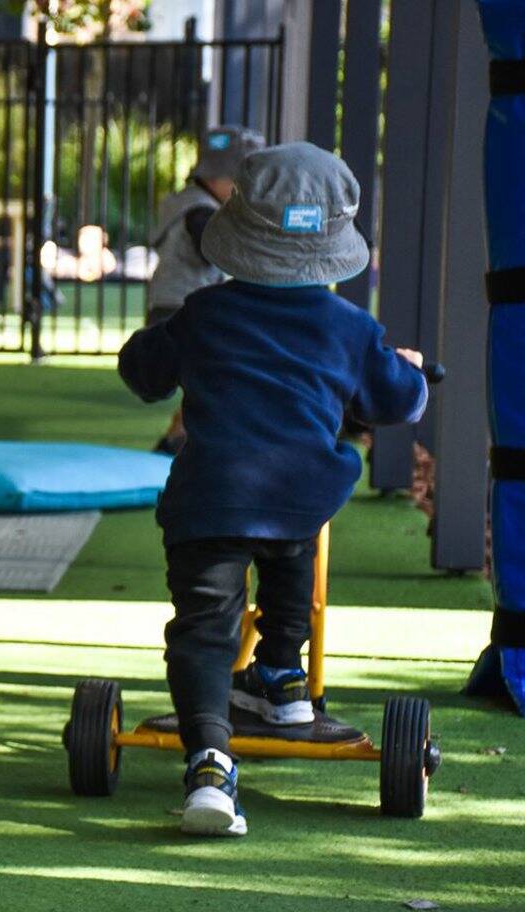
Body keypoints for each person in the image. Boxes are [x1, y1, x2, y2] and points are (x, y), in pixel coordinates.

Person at [118, 143, 429, 837]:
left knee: (202, 630)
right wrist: (403, 367)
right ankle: (285, 678)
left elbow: (143, 373)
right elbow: (397, 400)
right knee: (294, 562)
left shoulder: (203, 313)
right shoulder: (350, 328)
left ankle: (209, 762)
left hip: (208, 497)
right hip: (298, 494)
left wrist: (154, 346)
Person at [145, 125, 266, 454]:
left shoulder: (187, 203)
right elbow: (212, 248)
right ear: (217, 179)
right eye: (238, 184)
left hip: (175, 306)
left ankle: (178, 436)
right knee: (223, 370)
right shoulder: (199, 212)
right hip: (181, 309)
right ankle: (182, 436)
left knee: (209, 379)